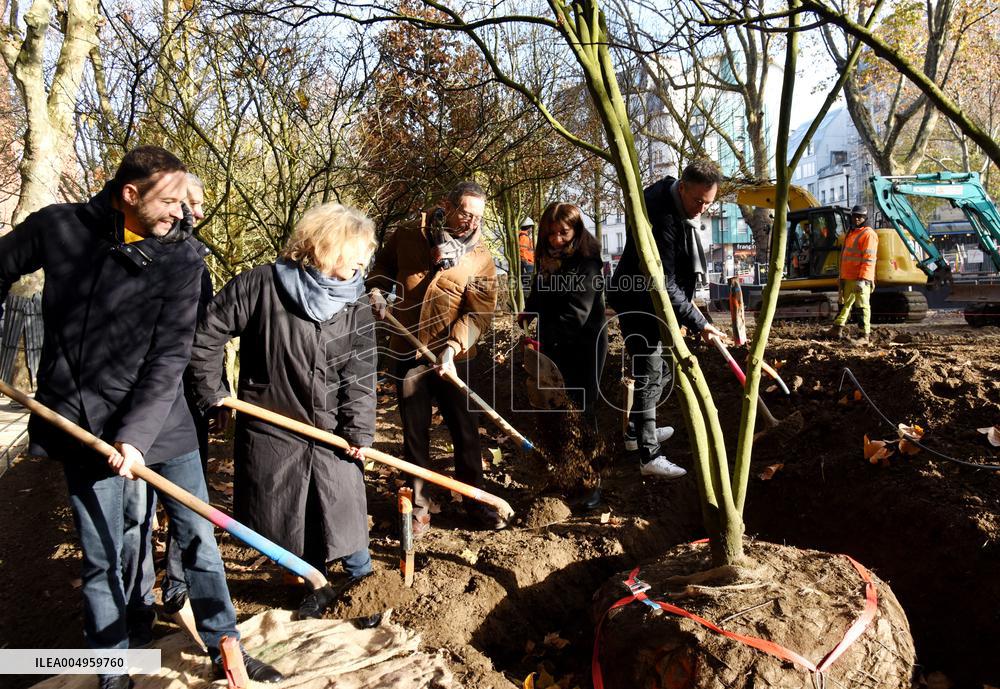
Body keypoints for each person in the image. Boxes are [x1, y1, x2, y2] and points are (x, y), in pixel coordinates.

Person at [0, 146, 281, 689]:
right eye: (171, 201)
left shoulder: (183, 257)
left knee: (198, 536)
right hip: (81, 423)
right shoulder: (57, 229)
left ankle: (228, 649)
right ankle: (113, 672)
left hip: (164, 424)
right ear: (129, 195)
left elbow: (170, 357)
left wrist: (135, 437)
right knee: (103, 556)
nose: (183, 212)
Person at [188, 203, 379, 622]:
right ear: (327, 247)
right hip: (273, 425)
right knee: (287, 514)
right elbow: (207, 334)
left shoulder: (356, 301)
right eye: (357, 253)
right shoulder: (262, 284)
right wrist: (214, 392)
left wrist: (359, 432)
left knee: (343, 503)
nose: (363, 263)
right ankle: (313, 584)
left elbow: (362, 370)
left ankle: (364, 585)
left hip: (333, 428)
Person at [367, 181, 501, 536]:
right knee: (415, 435)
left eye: (477, 218)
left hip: (455, 357)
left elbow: (479, 314)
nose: (471, 223)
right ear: (447, 205)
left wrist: (452, 348)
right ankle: (419, 506)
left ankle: (473, 499)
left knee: (465, 432)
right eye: (466, 214)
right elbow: (380, 268)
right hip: (408, 353)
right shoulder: (407, 236)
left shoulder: (480, 258)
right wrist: (378, 291)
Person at [608, 160, 727, 479]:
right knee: (649, 371)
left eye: (709, 203)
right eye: (698, 201)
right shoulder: (661, 216)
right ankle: (649, 455)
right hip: (639, 299)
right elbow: (664, 281)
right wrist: (699, 322)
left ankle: (635, 432)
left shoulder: (675, 194)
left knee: (658, 373)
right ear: (683, 187)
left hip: (652, 300)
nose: (702, 209)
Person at [518, 202, 607, 508]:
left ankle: (591, 483)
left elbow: (577, 314)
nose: (557, 239)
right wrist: (529, 312)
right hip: (553, 345)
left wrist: (545, 341)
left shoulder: (588, 263)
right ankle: (566, 478)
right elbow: (540, 293)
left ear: (577, 230)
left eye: (563, 232)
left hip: (583, 346)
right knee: (555, 414)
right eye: (551, 233)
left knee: (582, 415)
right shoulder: (547, 258)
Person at [828, 205, 878, 343]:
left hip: (859, 278)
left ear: (865, 218)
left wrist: (863, 279)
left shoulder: (868, 234)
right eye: (854, 216)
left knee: (862, 306)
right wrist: (841, 276)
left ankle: (864, 336)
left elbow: (869, 259)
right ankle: (837, 328)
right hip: (848, 277)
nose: (856, 219)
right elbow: (845, 257)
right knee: (845, 304)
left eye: (859, 216)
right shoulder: (851, 232)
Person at [518, 217, 536, 282]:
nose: (531, 229)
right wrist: (525, 262)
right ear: (528, 227)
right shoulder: (524, 237)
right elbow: (522, 250)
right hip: (528, 264)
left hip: (528, 263)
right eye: (531, 227)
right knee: (528, 282)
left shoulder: (523, 236)